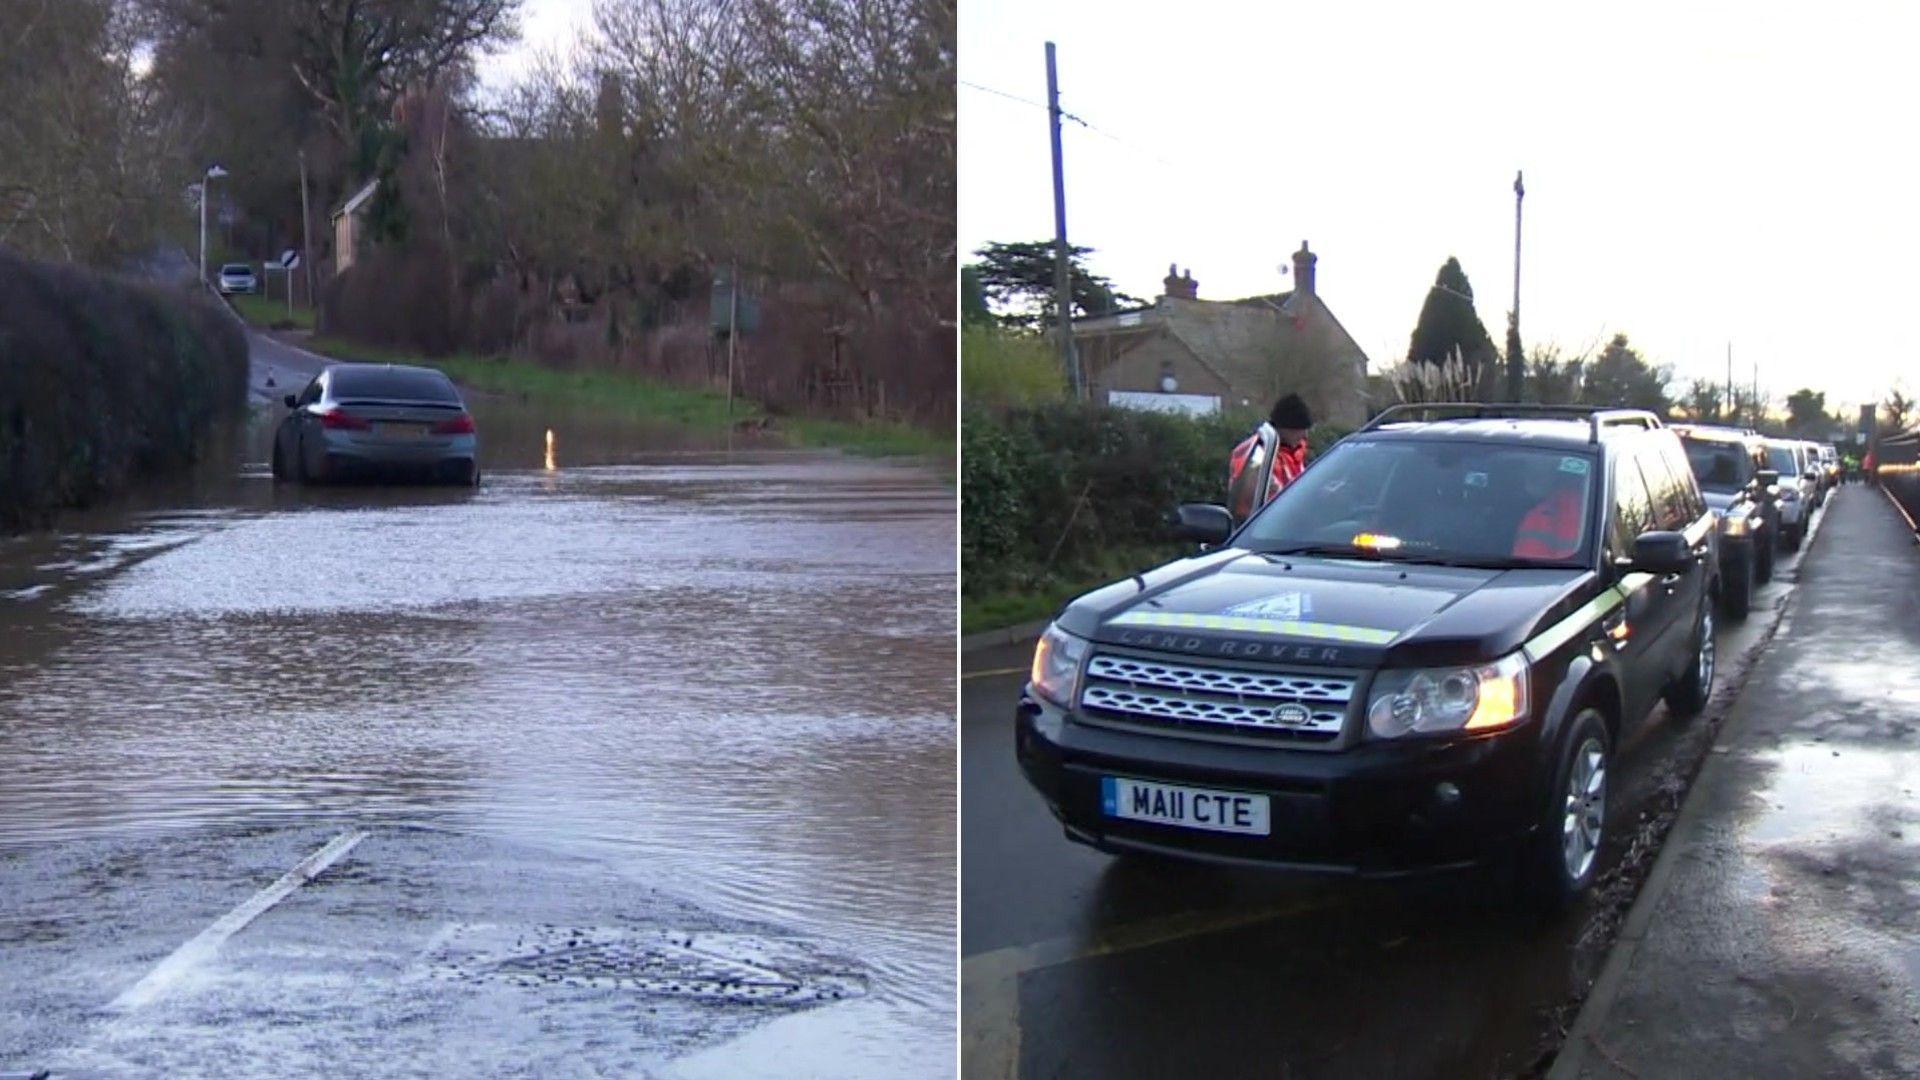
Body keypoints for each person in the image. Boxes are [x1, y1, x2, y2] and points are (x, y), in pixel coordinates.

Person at [1227, 393, 1313, 518]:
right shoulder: (1258, 452)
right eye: (1300, 429)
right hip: (1261, 525)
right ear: (1285, 428)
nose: (1304, 435)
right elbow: (1248, 494)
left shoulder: (1295, 453)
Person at [1512, 458, 1586, 560]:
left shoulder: (1581, 510)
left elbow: (1529, 567)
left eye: (1539, 474)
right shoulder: (1510, 508)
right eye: (1529, 470)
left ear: (1555, 475)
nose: (1532, 476)